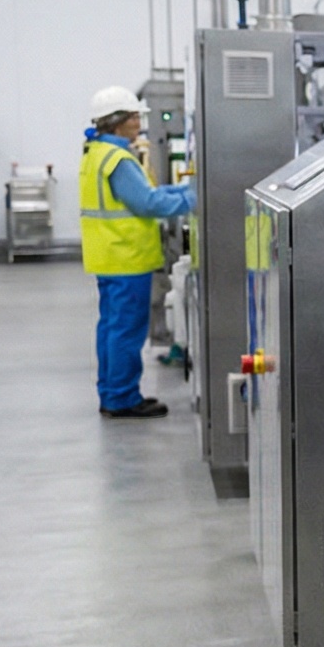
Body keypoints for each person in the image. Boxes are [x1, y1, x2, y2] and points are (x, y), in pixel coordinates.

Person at [80, 85, 197, 419]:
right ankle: (121, 398)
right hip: (126, 256)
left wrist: (183, 189)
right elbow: (148, 203)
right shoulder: (118, 158)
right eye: (134, 117)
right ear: (117, 121)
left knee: (112, 329)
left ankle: (113, 392)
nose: (138, 123)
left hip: (109, 255)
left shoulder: (97, 152)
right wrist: (193, 199)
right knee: (126, 332)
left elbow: (145, 192)